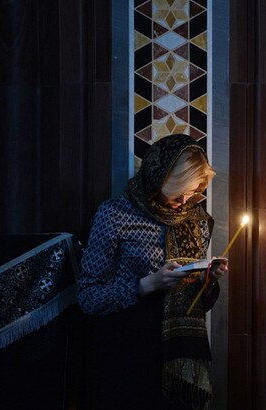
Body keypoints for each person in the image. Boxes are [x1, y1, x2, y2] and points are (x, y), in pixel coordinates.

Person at [77, 134, 227, 410]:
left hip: (179, 352)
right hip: (126, 346)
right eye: (178, 191)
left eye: (193, 192)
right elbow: (88, 297)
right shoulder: (114, 215)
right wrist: (146, 285)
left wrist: (208, 279)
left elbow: (199, 305)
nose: (184, 201)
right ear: (156, 178)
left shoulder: (197, 221)